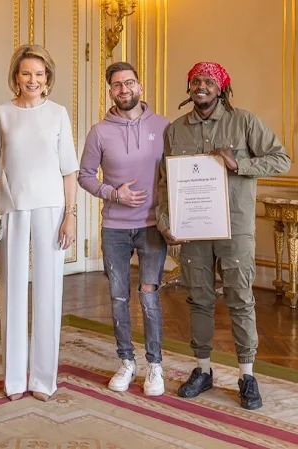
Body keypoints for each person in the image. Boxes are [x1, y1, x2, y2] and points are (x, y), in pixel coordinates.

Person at [157, 62, 291, 409]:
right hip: (194, 232)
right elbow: (165, 181)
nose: (201, 86)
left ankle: (247, 376)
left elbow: (281, 160)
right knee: (198, 298)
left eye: (208, 81)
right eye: (195, 81)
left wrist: (239, 165)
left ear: (221, 88)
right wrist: (164, 219)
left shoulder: (245, 122)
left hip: (236, 228)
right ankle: (202, 370)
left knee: (240, 298)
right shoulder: (175, 131)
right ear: (189, 88)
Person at [0, 44, 79, 402]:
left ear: (47, 78)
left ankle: (44, 379)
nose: (32, 79)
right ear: (16, 77)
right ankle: (14, 380)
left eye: (39, 74)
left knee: (49, 292)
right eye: (26, 73)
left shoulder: (58, 114)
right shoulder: (1, 113)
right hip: (11, 208)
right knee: (11, 292)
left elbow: (69, 170)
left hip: (52, 208)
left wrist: (71, 214)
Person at [79, 62, 169, 396]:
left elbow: (175, 173)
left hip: (152, 227)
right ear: (110, 91)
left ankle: (155, 365)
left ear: (140, 86)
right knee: (118, 297)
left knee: (149, 295)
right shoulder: (99, 131)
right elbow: (85, 175)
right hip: (114, 228)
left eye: (129, 83)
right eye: (117, 85)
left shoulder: (162, 126)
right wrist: (113, 193)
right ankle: (127, 362)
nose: (124, 89)